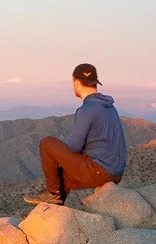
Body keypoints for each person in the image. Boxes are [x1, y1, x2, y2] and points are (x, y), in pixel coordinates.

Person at [24, 63, 127, 205]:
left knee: (47, 143)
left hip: (100, 171)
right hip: (115, 172)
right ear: (96, 83)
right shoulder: (109, 107)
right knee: (62, 177)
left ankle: (52, 193)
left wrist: (63, 155)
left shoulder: (87, 109)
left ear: (77, 83)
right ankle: (52, 210)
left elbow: (74, 147)